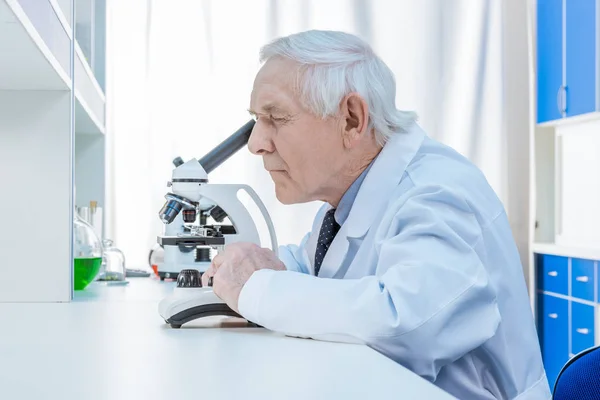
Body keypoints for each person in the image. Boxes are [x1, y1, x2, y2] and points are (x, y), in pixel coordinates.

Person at [201, 30, 551, 399]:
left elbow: (408, 324)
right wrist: (255, 266)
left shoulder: (436, 193)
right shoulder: (344, 205)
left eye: (275, 117)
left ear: (352, 119)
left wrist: (256, 289)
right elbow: (317, 272)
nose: (256, 143)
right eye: (256, 119)